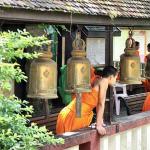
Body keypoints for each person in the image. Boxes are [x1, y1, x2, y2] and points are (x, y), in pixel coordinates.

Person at [56, 66, 118, 135]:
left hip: (72, 113)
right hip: (76, 115)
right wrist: (99, 126)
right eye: (115, 78)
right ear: (111, 77)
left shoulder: (97, 80)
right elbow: (101, 104)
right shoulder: (104, 81)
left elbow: (98, 105)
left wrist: (100, 121)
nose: (116, 80)